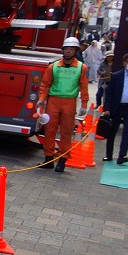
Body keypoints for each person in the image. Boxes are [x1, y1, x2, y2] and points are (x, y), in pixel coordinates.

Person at [37, 37, 89, 172]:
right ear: (63, 50)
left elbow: (84, 87)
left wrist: (84, 104)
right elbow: (45, 85)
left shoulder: (81, 68)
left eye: (71, 49)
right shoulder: (53, 67)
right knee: (49, 130)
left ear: (76, 51)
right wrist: (42, 99)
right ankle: (48, 159)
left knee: (66, 131)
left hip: (69, 102)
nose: (68, 52)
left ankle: (63, 160)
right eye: (66, 49)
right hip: (53, 101)